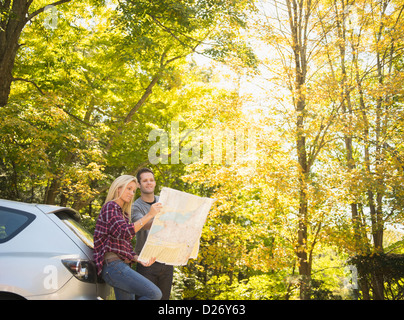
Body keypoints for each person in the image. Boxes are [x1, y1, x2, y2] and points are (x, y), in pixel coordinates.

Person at [93, 174, 163, 300]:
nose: (131, 193)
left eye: (133, 190)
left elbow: (125, 246)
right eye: (128, 188)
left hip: (121, 266)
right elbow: (123, 232)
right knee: (154, 294)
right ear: (118, 189)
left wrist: (139, 259)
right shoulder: (110, 207)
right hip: (113, 266)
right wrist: (149, 215)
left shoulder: (122, 214)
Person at [131, 168, 174, 300]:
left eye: (151, 180)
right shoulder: (135, 206)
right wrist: (157, 217)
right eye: (145, 181)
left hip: (166, 260)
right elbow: (141, 225)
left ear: (155, 183)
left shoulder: (164, 201)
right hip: (146, 262)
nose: (149, 183)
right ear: (139, 185)